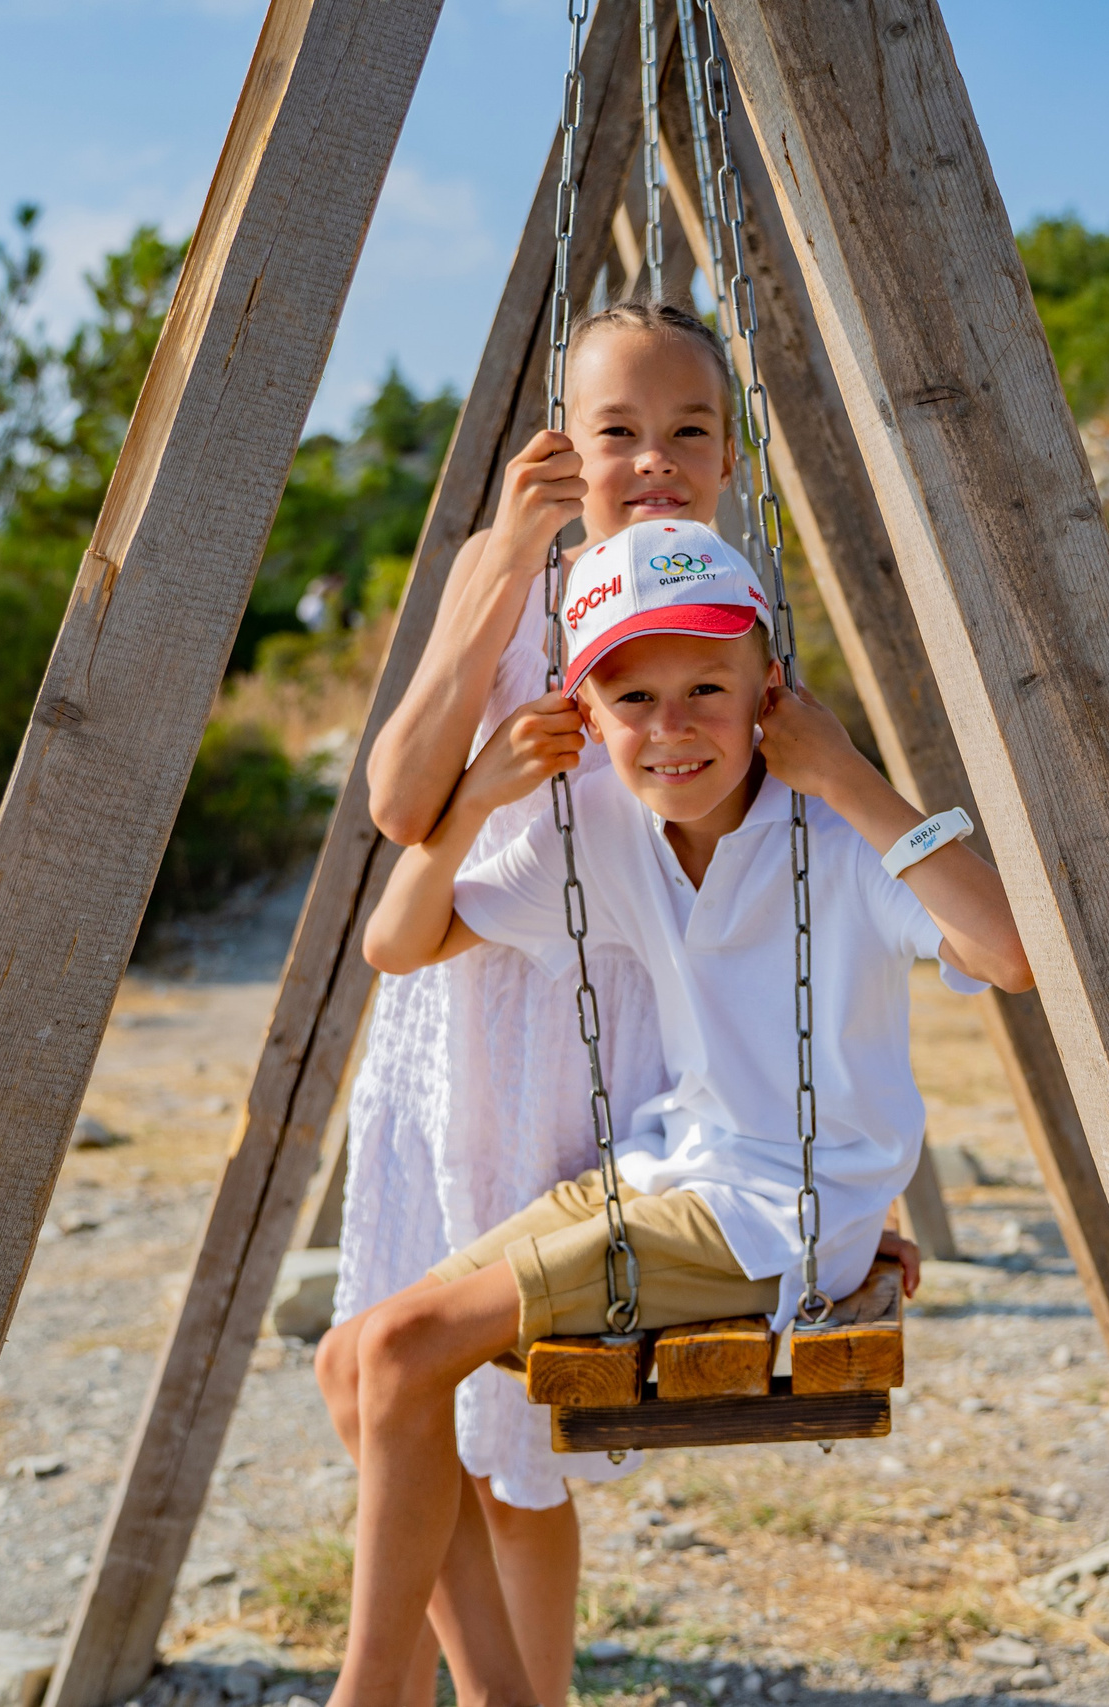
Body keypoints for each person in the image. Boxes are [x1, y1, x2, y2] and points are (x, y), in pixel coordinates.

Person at [327, 513, 1034, 1700]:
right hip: (668, 1175)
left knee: (400, 1349)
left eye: (707, 683)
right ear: (588, 717)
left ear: (770, 683)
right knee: (353, 1360)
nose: (673, 729)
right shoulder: (605, 827)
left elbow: (1009, 950)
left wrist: (848, 773)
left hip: (773, 1219)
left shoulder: (840, 834)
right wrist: (477, 798)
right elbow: (396, 942)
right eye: (634, 699)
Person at [319, 301, 743, 1707]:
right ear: (564, 444)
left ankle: (520, 1693)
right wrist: (503, 555)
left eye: (689, 429)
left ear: (730, 458)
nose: (654, 458)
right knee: (399, 1389)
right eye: (618, 429)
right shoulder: (506, 576)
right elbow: (396, 797)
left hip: (597, 1046)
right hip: (459, 1019)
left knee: (523, 1441)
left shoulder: (722, 600)